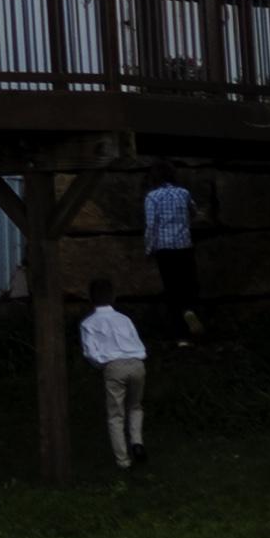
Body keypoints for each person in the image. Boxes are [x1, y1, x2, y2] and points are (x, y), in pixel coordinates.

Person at [78, 281, 150, 470]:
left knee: (115, 414)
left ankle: (123, 460)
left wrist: (101, 364)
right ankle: (137, 442)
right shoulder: (124, 319)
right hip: (137, 363)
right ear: (113, 297)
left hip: (114, 366)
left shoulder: (88, 323)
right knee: (135, 406)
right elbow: (136, 340)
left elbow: (90, 353)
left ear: (90, 298)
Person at [141, 173, 199, 342]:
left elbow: (151, 226)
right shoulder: (184, 193)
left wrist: (148, 249)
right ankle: (189, 310)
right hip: (184, 247)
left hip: (164, 250)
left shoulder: (152, 197)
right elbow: (194, 212)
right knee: (188, 285)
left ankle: (181, 337)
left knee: (172, 290)